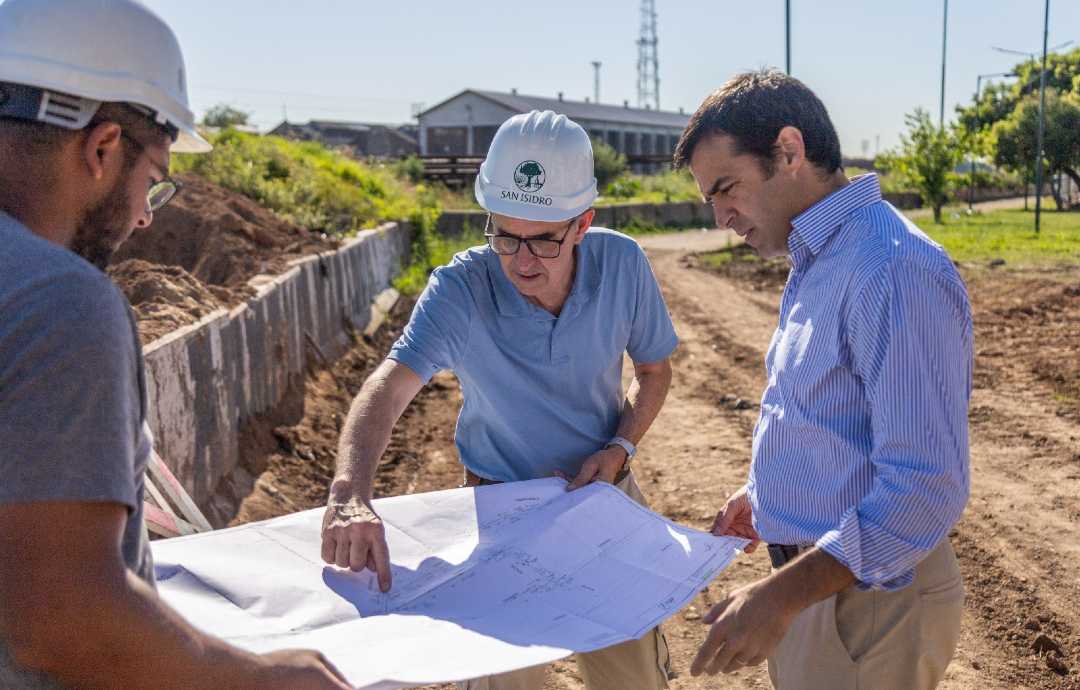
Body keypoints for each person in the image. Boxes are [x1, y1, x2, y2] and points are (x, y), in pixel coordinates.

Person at [0, 1, 350, 687]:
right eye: (153, 184)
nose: (142, 218)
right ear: (103, 148)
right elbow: (63, 618)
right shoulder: (59, 302)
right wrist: (264, 678)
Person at [321, 109, 678, 690]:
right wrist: (349, 493)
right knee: (500, 679)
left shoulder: (622, 266)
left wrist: (620, 447)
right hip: (499, 514)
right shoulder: (461, 290)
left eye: (544, 240)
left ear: (582, 224)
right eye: (506, 236)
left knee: (632, 677)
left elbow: (655, 371)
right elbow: (387, 389)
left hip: (602, 500)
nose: (522, 261)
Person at [673, 69, 972, 689]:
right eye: (710, 200)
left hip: (871, 602)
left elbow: (924, 487)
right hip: (833, 591)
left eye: (726, 188)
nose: (722, 216)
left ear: (789, 151)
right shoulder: (822, 255)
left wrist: (780, 596)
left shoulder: (890, 268)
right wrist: (772, 495)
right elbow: (829, 415)